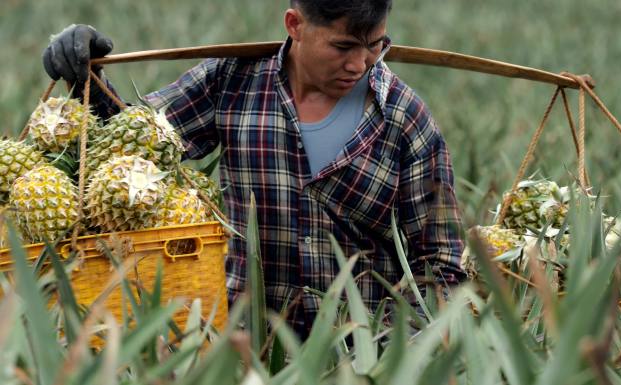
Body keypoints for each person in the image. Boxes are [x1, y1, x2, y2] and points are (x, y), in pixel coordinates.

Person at [42, 0, 465, 337]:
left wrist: (386, 349)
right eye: (343, 46)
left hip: (359, 353)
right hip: (241, 348)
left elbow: (440, 265)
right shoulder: (231, 82)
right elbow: (131, 151)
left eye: (376, 45)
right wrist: (87, 82)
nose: (361, 64)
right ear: (294, 24)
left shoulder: (405, 119)